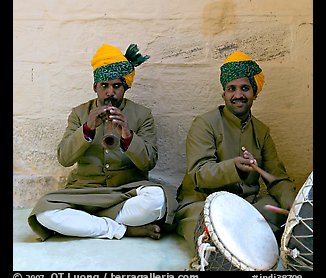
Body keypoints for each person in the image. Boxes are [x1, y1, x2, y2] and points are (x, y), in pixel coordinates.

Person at [28, 42, 176, 241]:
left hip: (126, 191)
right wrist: (87, 128)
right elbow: (64, 158)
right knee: (43, 213)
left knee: (157, 199)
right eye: (104, 86)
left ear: (125, 87)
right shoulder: (79, 113)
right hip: (85, 192)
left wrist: (127, 135)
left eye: (116, 86)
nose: (110, 92)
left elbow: (148, 162)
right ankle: (125, 230)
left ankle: (88, 222)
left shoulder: (142, 115)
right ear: (95, 87)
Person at [174, 50, 297, 258]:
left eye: (245, 88)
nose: (238, 95)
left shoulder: (261, 131)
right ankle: (229, 246)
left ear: (254, 93)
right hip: (204, 203)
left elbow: (277, 178)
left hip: (247, 207)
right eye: (232, 89)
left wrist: (293, 207)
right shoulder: (204, 124)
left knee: (278, 213)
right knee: (208, 227)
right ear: (224, 94)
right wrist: (233, 167)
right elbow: (199, 174)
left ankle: (242, 240)